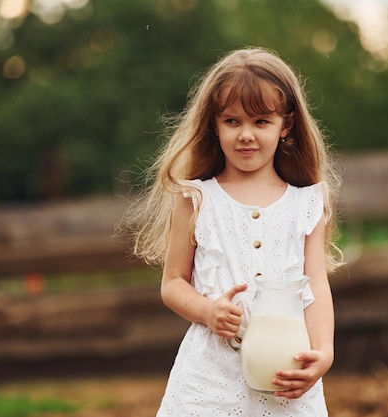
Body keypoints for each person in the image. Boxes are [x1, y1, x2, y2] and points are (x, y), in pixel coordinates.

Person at [123, 47, 343, 416]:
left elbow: (316, 285)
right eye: (232, 121)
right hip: (209, 381)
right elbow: (173, 283)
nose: (246, 134)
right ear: (214, 123)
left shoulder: (307, 203)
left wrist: (324, 352)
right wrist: (208, 311)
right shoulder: (196, 199)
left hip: (286, 370)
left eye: (261, 122)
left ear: (286, 124)